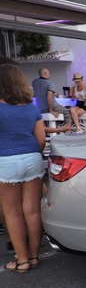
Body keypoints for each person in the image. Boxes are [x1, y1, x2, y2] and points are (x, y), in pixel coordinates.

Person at [0, 63, 46, 273]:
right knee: (33, 211)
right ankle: (35, 257)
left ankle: (22, 260)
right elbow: (41, 139)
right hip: (32, 159)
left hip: (6, 161)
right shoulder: (31, 107)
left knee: (13, 213)